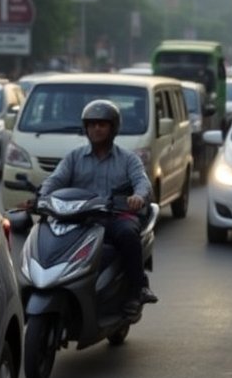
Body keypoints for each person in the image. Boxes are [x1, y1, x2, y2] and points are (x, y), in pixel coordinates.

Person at [36, 99, 158, 317]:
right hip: (80, 218)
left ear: (113, 128)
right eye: (92, 124)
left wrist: (138, 197)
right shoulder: (74, 158)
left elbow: (142, 182)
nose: (96, 129)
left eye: (102, 124)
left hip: (115, 216)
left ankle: (137, 289)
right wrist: (42, 197)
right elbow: (55, 180)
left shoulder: (128, 159)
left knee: (128, 234)